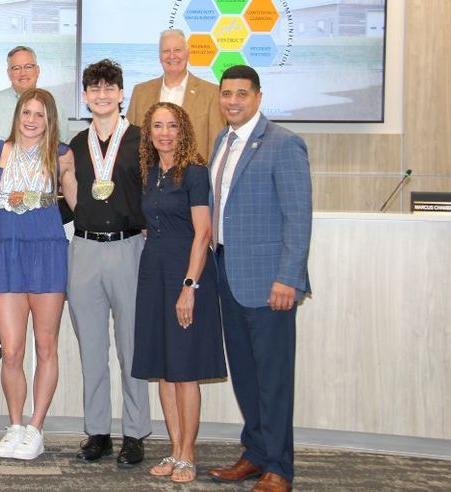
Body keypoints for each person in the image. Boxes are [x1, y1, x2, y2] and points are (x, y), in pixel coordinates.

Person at [205, 65, 312, 492]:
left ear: (259, 96)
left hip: (270, 285)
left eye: (241, 94)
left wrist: (289, 278)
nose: (232, 101)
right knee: (246, 374)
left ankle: (279, 468)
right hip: (228, 275)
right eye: (226, 93)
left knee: (273, 378)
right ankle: (255, 452)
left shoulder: (284, 144)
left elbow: (298, 218)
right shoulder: (222, 141)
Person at [131, 102, 226, 483]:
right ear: (149, 133)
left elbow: (203, 233)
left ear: (182, 130)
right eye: (157, 126)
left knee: (185, 371)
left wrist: (189, 286)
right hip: (152, 273)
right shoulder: (150, 173)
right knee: (164, 371)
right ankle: (173, 449)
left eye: (172, 125)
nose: (165, 132)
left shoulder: (195, 173)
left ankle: (189, 454)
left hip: (186, 276)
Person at [64, 59, 151, 466]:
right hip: (83, 249)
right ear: (85, 96)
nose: (101, 95)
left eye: (108, 88)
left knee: (132, 347)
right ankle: (98, 431)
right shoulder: (76, 144)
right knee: (92, 348)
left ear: (121, 94)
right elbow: (67, 193)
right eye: (94, 89)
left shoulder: (141, 139)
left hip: (128, 247)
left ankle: (134, 433)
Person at [0, 88, 75, 461]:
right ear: (17, 114)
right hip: (9, 252)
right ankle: (16, 425)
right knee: (11, 351)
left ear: (49, 119)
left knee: (46, 346)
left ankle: (36, 427)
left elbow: (77, 203)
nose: (32, 120)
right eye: (27, 112)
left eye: (40, 114)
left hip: (48, 252)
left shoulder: (63, 155)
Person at [126, 30, 224, 157]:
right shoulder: (140, 93)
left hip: (194, 174)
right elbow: (129, 142)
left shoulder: (212, 93)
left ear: (188, 53)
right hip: (149, 175)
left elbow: (217, 148)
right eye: (166, 51)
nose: (172, 56)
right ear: (160, 56)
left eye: (177, 50)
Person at [0, 46, 69, 139]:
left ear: (37, 70)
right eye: (16, 68)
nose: (23, 73)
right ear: (9, 73)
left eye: (28, 67)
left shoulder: (54, 106)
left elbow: (62, 147)